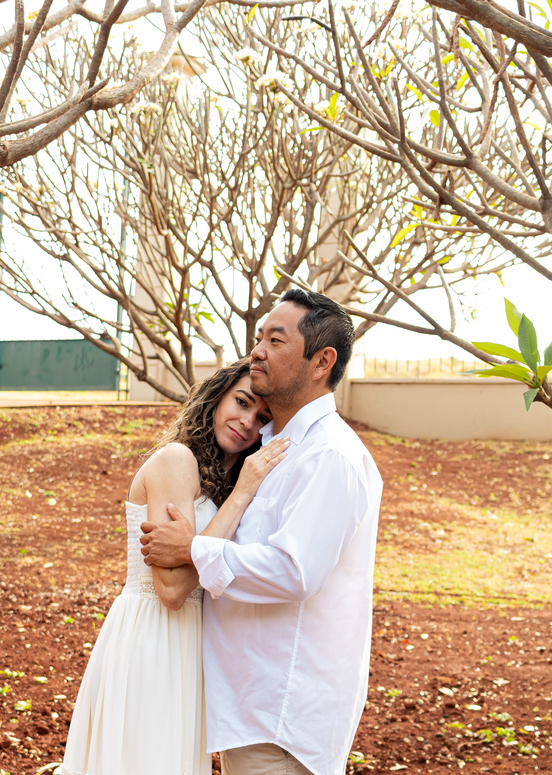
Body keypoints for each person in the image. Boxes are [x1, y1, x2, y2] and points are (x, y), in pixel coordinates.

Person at [141, 288, 383, 775]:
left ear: (321, 362)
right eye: (258, 339)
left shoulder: (329, 456)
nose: (257, 351)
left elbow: (293, 571)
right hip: (250, 712)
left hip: (282, 720)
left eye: (275, 340)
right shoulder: (275, 448)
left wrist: (193, 549)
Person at [61, 359, 291, 775]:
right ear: (216, 397)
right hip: (152, 638)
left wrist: (197, 541)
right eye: (241, 402)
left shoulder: (222, 483)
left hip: (192, 646)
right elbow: (170, 590)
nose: (247, 422)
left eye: (262, 418)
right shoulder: (176, 460)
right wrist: (241, 495)